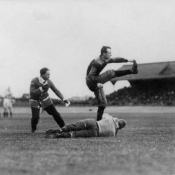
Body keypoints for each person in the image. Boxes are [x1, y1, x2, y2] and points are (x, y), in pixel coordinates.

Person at [86, 46, 138, 121]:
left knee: (103, 103)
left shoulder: (105, 59)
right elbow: (90, 76)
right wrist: (96, 84)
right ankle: (131, 71)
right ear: (104, 53)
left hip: (95, 79)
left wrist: (128, 60)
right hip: (91, 81)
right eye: (109, 53)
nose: (111, 54)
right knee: (110, 73)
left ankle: (98, 123)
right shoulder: (96, 62)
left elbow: (116, 59)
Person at [29, 67, 70, 134]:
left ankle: (64, 127)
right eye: (47, 74)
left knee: (55, 114)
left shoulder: (49, 82)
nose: (49, 76)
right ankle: (33, 129)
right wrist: (41, 88)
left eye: (49, 74)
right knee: (35, 117)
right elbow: (32, 92)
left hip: (45, 100)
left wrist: (63, 98)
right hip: (35, 100)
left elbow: (56, 91)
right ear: (42, 74)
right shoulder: (34, 80)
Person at [45, 113, 126, 138]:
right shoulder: (114, 133)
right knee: (75, 134)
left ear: (117, 120)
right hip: (95, 133)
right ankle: (57, 135)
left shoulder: (110, 118)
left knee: (74, 126)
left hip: (93, 122)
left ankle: (61, 130)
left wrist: (114, 119)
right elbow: (115, 133)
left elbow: (104, 115)